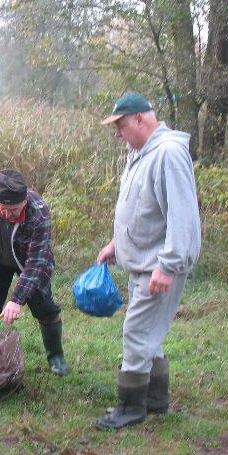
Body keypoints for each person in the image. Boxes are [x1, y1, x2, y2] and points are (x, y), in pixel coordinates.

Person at [95, 92, 201, 429]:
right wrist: (117, 243)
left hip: (157, 264)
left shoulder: (168, 154)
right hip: (141, 260)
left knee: (137, 331)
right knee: (147, 332)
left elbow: (182, 216)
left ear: (140, 119)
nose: (118, 134)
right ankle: (155, 400)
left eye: (121, 126)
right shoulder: (140, 153)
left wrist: (167, 266)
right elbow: (142, 207)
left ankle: (131, 407)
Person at [0, 169, 69, 376]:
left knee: (46, 309)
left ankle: (56, 357)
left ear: (24, 202)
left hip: (29, 263)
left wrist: (16, 300)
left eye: (13, 210)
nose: (7, 214)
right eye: (3, 209)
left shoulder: (38, 213)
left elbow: (36, 262)